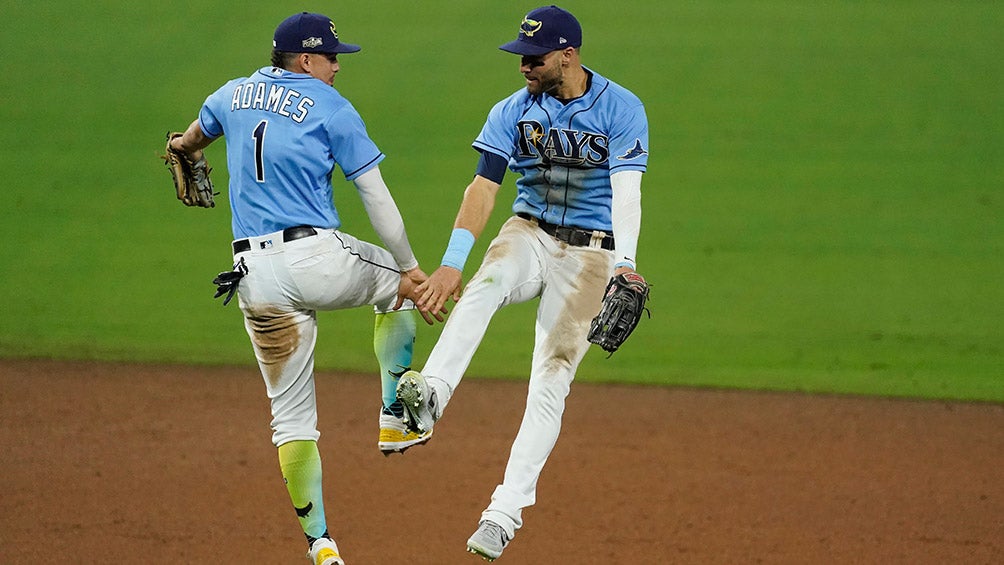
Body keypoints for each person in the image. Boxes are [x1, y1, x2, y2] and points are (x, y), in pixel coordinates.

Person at [166, 12, 443, 565]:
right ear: (307, 59)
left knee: (289, 417)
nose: (339, 67)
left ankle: (320, 543)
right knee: (395, 285)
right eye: (333, 57)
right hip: (315, 258)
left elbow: (190, 141)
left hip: (253, 278)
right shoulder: (333, 108)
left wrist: (184, 149)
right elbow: (376, 196)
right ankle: (393, 417)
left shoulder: (232, 93)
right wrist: (412, 269)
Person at [395, 5, 649, 561]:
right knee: (484, 286)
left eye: (533, 58)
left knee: (552, 376)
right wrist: (451, 261)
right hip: (529, 233)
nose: (523, 66)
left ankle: (503, 515)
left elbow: (627, 191)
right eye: (520, 56)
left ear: (568, 55)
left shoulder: (621, 108)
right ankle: (430, 395)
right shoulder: (513, 110)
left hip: (590, 255)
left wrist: (626, 265)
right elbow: (483, 188)